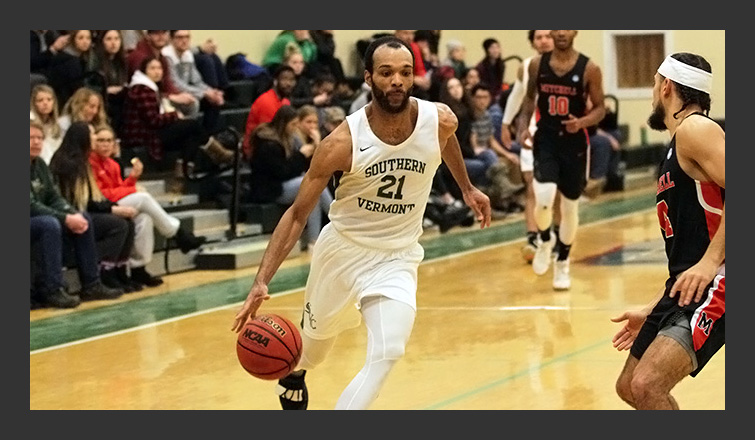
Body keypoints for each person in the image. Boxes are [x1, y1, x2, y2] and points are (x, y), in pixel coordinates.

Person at [232, 36, 491, 410]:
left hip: (397, 257)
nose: (397, 81)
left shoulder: (440, 118)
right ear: (368, 78)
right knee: (312, 352)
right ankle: (294, 372)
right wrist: (261, 280)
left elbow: (444, 138)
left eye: (405, 72)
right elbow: (296, 214)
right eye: (386, 73)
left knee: (388, 351)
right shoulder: (341, 143)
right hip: (342, 254)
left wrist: (467, 187)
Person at [611, 52, 725, 410]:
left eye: (653, 84)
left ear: (667, 87)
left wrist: (710, 261)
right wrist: (654, 307)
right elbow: (690, 244)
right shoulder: (678, 144)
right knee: (631, 386)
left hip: (721, 276)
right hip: (686, 287)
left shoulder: (696, 129)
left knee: (647, 383)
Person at [517, 30, 605, 291]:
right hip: (546, 139)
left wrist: (583, 122)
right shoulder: (537, 64)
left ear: (575, 31)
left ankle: (563, 261)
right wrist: (523, 126)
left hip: (575, 143)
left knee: (569, 208)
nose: (561, 32)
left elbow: (601, 108)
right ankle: (544, 239)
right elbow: (529, 98)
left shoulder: (590, 68)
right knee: (543, 197)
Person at [90, 124, 206, 287]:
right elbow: (104, 194)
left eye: (109, 140)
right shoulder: (90, 164)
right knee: (143, 198)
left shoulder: (113, 164)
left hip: (117, 202)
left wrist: (132, 179)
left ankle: (139, 269)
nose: (106, 144)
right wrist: (132, 188)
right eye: (101, 140)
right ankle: (178, 233)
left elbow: (118, 189)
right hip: (103, 207)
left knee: (145, 218)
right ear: (93, 143)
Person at [48, 121, 130, 300]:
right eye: (92, 134)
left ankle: (113, 271)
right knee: (117, 225)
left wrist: (112, 207)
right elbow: (82, 200)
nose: (95, 138)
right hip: (70, 213)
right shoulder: (69, 163)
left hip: (79, 211)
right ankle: (91, 275)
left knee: (123, 223)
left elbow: (94, 197)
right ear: (83, 137)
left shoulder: (80, 159)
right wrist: (113, 210)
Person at [500, 30, 554, 262]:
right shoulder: (527, 66)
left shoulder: (572, 65)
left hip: (559, 136)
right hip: (532, 134)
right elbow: (516, 95)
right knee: (532, 187)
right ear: (532, 42)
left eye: (547, 35)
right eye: (538, 36)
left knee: (555, 191)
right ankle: (533, 237)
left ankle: (555, 235)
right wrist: (505, 123)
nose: (543, 40)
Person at [246, 105, 331, 250]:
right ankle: (338, 216)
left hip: (282, 184)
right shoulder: (268, 144)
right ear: (283, 124)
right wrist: (301, 155)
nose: (294, 128)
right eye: (292, 124)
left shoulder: (286, 139)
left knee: (313, 193)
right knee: (312, 184)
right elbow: (283, 171)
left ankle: (313, 241)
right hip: (269, 189)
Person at [162, 30, 226, 132]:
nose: (184, 41)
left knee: (214, 101)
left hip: (187, 91)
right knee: (193, 102)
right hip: (172, 93)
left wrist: (212, 92)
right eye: (180, 37)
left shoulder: (187, 54)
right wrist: (204, 93)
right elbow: (175, 83)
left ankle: (208, 135)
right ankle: (189, 134)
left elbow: (196, 80)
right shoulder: (166, 56)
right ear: (171, 39)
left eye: (187, 37)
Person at [242, 65, 296, 159]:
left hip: (277, 145)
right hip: (258, 150)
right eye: (285, 79)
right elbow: (268, 133)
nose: (289, 84)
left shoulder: (285, 102)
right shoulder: (266, 101)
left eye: (291, 80)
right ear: (275, 81)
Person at [30, 84, 65, 164]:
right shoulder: (30, 120)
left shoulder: (56, 124)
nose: (45, 103)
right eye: (40, 100)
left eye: (49, 100)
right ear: (34, 103)